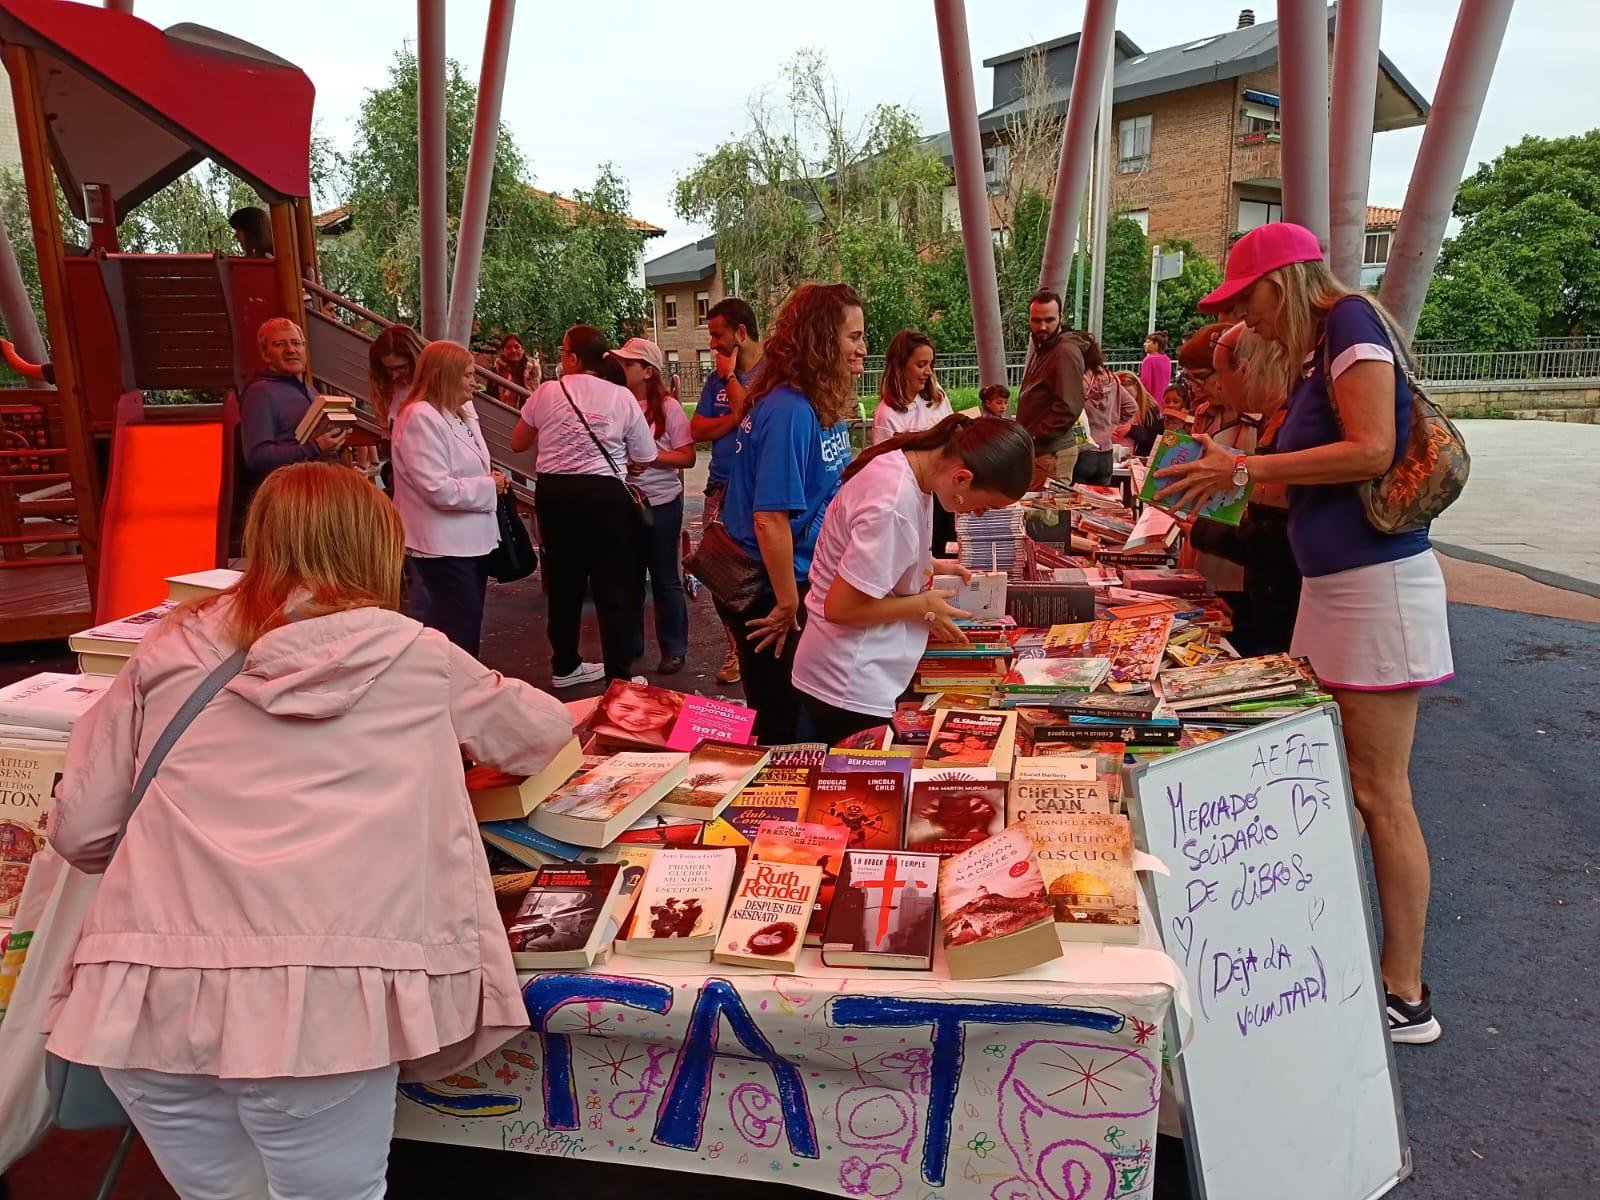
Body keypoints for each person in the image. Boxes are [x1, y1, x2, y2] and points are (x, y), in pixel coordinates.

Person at [43, 462, 572, 1199]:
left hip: (142, 990)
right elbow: (540, 735)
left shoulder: (168, 646)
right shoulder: (413, 653)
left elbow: (82, 830)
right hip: (322, 1005)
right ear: (377, 549)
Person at [1156, 222, 1452, 1044]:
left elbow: (1372, 449)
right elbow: (1309, 489)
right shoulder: (1324, 347)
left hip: (1375, 590)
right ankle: (1336, 951)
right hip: (1338, 588)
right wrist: (1214, 478)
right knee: (1336, 781)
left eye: (1245, 298)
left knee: (1379, 792)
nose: (1245, 320)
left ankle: (1405, 991)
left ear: (1281, 281)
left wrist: (1246, 468)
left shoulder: (1351, 323)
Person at [792, 415, 1035, 746]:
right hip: (847, 682)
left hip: (853, 671)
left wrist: (933, 564)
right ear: (962, 478)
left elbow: (875, 558)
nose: (979, 515)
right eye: (986, 506)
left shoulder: (912, 472)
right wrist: (923, 605)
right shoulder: (892, 505)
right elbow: (840, 608)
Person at [716, 282, 862, 744]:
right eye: (853, 337)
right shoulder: (790, 410)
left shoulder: (815, 404)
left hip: (795, 576)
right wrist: (786, 602)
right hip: (769, 587)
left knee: (799, 708)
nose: (863, 348)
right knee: (783, 722)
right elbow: (769, 519)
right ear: (822, 340)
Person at [511, 325, 657, 686]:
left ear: (574, 358)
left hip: (555, 493)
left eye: (562, 352)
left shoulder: (547, 391)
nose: (561, 359)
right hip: (604, 496)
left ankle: (564, 665)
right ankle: (619, 676)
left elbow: (517, 442)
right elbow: (646, 454)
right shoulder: (620, 397)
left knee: (563, 582)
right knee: (614, 585)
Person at [389, 341, 508, 655]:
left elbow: (469, 465)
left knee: (465, 623)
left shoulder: (458, 412)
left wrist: (490, 480)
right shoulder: (419, 417)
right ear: (445, 376)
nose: (473, 382)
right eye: (466, 375)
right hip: (441, 546)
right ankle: (456, 696)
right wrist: (488, 486)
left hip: (466, 543)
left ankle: (461, 693)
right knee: (457, 629)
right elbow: (437, 487)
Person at [692, 298, 765, 686]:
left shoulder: (770, 375)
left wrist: (732, 383)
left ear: (740, 333)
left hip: (753, 492)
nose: (712, 344)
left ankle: (757, 646)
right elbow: (697, 429)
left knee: (756, 576)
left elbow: (752, 419)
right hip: (718, 488)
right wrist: (732, 417)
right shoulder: (714, 378)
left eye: (718, 335)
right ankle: (733, 644)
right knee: (720, 576)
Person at [612, 337, 695, 675]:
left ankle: (674, 648)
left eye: (628, 364)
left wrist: (649, 459)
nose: (621, 369)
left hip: (661, 504)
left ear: (648, 371)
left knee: (664, 579)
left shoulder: (669, 408)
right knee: (627, 578)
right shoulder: (616, 404)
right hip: (624, 502)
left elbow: (687, 456)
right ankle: (632, 644)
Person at [873, 330, 957, 556]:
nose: (928, 372)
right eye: (921, 365)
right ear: (901, 366)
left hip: (944, 497)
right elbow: (883, 474)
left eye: (931, 364)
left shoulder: (937, 397)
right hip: (910, 504)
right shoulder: (887, 415)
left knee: (945, 554)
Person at [240, 318, 347, 475]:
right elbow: (257, 456)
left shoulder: (311, 391)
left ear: (304, 348)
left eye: (296, 343)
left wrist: (337, 438)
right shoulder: (260, 392)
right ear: (265, 354)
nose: (290, 350)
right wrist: (314, 448)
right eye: (280, 344)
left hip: (322, 484)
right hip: (288, 491)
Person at [1015, 289, 1089, 484]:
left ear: (1061, 318)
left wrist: (1032, 436)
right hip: (1042, 451)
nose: (1043, 326)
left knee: (1045, 514)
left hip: (1051, 453)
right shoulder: (1045, 349)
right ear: (1029, 319)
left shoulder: (1063, 352)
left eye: (1049, 320)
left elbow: (1068, 407)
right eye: (1037, 320)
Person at [365, 323, 426, 486]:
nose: (394, 375)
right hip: (403, 472)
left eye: (401, 367)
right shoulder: (385, 389)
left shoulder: (434, 385)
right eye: (388, 369)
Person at [1074, 337, 1135, 485]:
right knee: (1101, 504)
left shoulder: (1078, 380)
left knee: (1075, 504)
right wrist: (1112, 423)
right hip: (1106, 455)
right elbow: (1131, 407)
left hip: (1082, 451)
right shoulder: (1111, 379)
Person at [587, 678, 684, 747]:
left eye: (656, 713)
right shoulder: (604, 731)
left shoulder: (675, 727)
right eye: (626, 708)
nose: (639, 717)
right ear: (605, 703)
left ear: (674, 715)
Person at [1111, 370, 1163, 457]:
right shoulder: (1107, 407)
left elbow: (1155, 438)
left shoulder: (1149, 409)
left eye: (1129, 394)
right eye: (1119, 395)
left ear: (1137, 389)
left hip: (1137, 458)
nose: (1124, 399)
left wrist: (1132, 430)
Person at [492, 333, 538, 407]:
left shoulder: (534, 370)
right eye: (509, 347)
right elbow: (491, 395)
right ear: (503, 351)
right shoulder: (497, 370)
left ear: (523, 350)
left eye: (516, 347)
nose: (513, 350)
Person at [1139, 330, 1172, 401]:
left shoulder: (1148, 360)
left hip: (1151, 402)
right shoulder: (1167, 360)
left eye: (1148, 342)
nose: (1144, 344)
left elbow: (1145, 384)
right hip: (1163, 401)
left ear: (1156, 344)